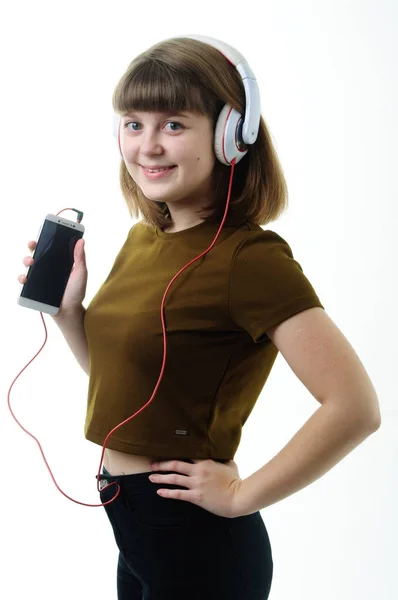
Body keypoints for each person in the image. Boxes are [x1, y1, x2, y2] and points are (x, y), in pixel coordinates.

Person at [18, 35, 381, 600]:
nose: (148, 146)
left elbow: (356, 407)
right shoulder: (144, 238)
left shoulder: (251, 260)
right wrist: (71, 315)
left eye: (173, 124)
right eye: (134, 123)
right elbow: (134, 386)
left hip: (196, 539)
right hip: (134, 523)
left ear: (230, 136)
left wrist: (242, 496)